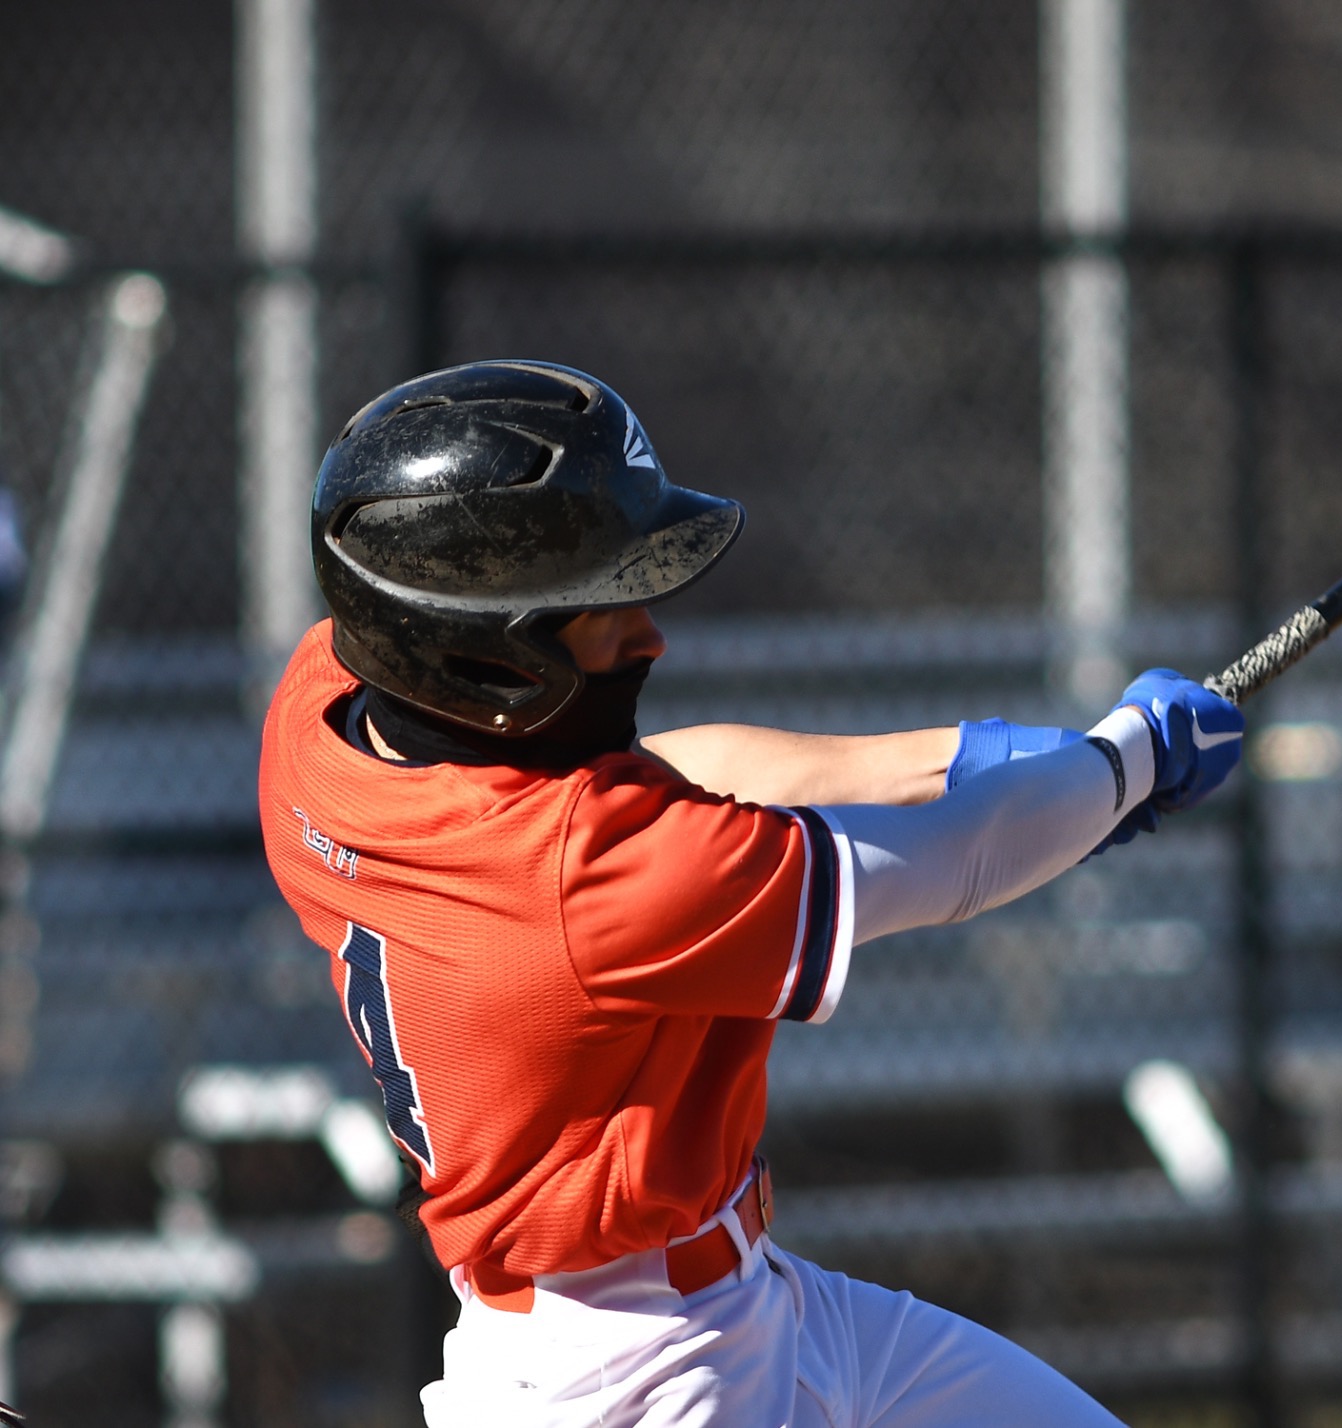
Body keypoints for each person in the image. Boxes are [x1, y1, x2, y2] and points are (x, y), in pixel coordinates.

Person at [257, 359, 1242, 1427]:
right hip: (632, 1383)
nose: (648, 636)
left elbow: (674, 778)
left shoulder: (327, 717)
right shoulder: (593, 881)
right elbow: (951, 864)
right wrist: (1125, 764)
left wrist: (960, 756)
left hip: (744, 1303)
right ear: (486, 661)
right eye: (601, 612)